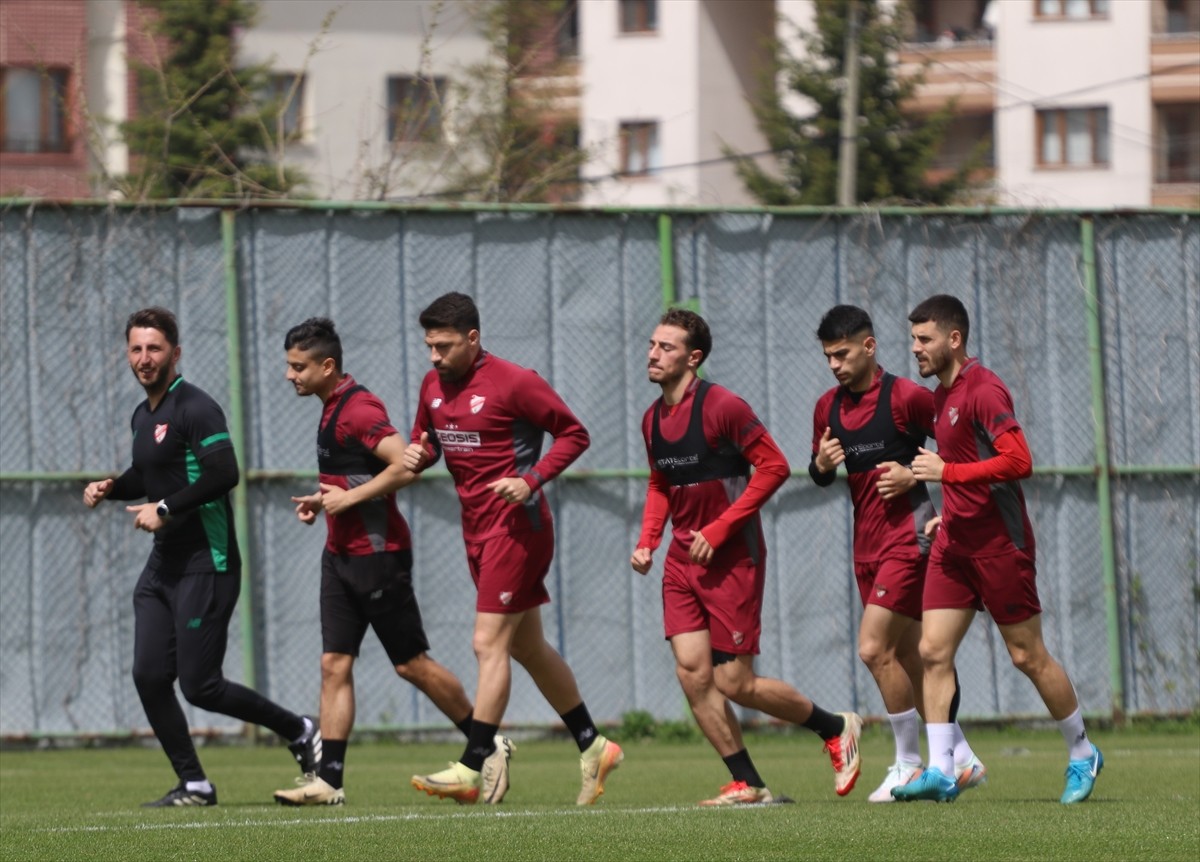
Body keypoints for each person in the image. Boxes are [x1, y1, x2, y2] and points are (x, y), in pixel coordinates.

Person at [82, 307, 320, 808]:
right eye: (136, 349)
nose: (144, 358)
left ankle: (299, 729)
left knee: (200, 685)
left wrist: (165, 509)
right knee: (149, 676)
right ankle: (194, 784)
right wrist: (111, 487)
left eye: (154, 348)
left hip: (207, 562)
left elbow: (224, 473)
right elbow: (148, 474)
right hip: (162, 567)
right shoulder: (143, 415)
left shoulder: (195, 407)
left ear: (176, 353)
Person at [272, 318, 512, 806]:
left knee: (411, 665)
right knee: (333, 664)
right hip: (339, 556)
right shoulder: (330, 406)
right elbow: (355, 477)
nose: (290, 375)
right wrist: (325, 499)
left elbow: (406, 465)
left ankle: (486, 743)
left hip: (378, 557)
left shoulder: (359, 409)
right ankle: (329, 781)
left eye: (298, 367)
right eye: (289, 366)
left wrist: (348, 498)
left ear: (327, 366)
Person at [631, 307, 863, 806]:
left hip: (732, 560)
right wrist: (649, 538)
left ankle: (835, 727)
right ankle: (748, 783)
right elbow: (660, 483)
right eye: (652, 344)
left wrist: (718, 530)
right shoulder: (651, 419)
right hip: (681, 563)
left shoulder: (723, 407)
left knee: (734, 681)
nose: (653, 354)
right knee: (692, 673)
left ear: (693, 358)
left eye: (666, 347)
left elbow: (774, 466)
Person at [406, 292, 622, 806]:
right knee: (527, 648)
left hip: (518, 529)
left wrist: (531, 479)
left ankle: (473, 762)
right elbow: (428, 439)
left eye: (444, 346)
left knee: (488, 643)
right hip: (476, 531)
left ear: (473, 338)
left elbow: (574, 434)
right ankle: (594, 745)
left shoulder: (514, 381)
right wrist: (420, 453)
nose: (434, 356)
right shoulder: (432, 385)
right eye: (429, 346)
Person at [893, 294, 1103, 804]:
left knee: (1027, 655)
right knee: (931, 651)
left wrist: (947, 473)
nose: (915, 348)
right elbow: (969, 467)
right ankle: (943, 769)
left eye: (924, 339)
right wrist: (949, 511)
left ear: (954, 339)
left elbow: (1019, 461)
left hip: (1000, 546)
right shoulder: (941, 397)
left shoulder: (984, 390)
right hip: (954, 546)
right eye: (913, 338)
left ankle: (1082, 752)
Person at [809, 305, 985, 803]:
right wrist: (820, 464)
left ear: (869, 347)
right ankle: (962, 757)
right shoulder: (827, 408)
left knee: (872, 648)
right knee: (907, 655)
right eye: (828, 357)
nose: (834, 365)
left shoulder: (906, 398)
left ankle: (908, 763)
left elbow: (961, 448)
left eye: (842, 354)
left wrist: (917, 476)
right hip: (865, 546)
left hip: (909, 539)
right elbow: (820, 475)